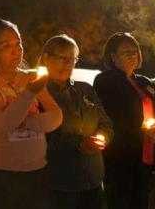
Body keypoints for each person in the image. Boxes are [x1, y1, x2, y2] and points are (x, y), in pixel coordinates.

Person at [0, 19, 62, 209]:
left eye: (18, 43)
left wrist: (28, 123)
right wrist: (29, 93)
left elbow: (56, 116)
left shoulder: (29, 77)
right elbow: (3, 125)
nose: (16, 50)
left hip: (33, 172)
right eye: (6, 46)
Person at [39, 34, 113, 209]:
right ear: (46, 58)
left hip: (93, 177)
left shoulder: (85, 89)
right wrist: (79, 144)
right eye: (62, 58)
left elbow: (106, 123)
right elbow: (40, 134)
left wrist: (100, 138)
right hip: (59, 180)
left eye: (72, 59)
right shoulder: (38, 93)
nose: (68, 64)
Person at [93, 32, 155, 209]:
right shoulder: (105, 81)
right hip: (120, 156)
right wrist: (139, 127)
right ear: (113, 57)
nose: (132, 55)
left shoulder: (144, 82)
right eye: (126, 52)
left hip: (146, 155)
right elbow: (110, 115)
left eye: (134, 51)